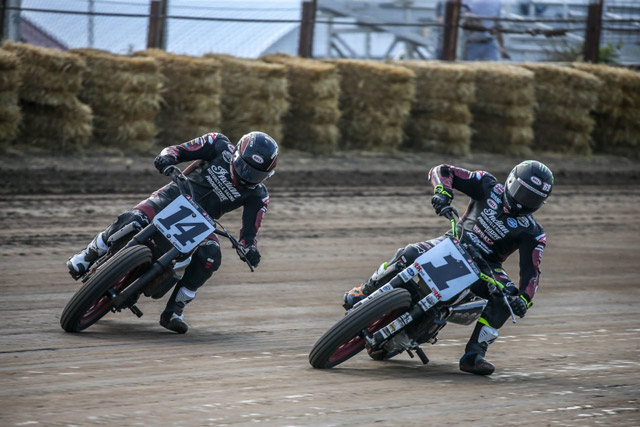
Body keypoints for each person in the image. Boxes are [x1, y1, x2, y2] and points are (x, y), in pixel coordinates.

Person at [343, 160, 553, 375]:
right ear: (510, 182)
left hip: (487, 267)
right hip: (454, 241)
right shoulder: (487, 184)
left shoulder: (534, 232)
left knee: (505, 300)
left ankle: (474, 355)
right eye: (522, 192)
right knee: (409, 253)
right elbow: (443, 171)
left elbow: (532, 273)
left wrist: (523, 301)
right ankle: (364, 290)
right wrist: (442, 193)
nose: (523, 202)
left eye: (533, 198)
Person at [67, 131, 279, 334]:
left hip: (201, 222)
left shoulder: (259, 195)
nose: (246, 176)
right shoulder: (217, 143)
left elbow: (250, 233)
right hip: (171, 197)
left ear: (267, 175)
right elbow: (177, 150)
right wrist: (167, 158)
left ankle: (175, 310)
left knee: (211, 256)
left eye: (255, 174)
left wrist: (249, 249)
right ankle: (88, 256)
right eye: (243, 166)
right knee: (131, 219)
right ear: (235, 154)